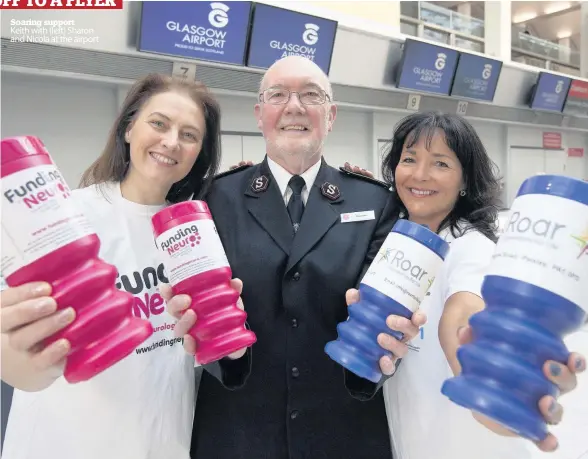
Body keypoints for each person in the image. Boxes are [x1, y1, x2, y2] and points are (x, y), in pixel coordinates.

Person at [165, 55, 424, 459]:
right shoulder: (216, 199)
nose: (294, 106)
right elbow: (208, 321)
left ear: (331, 114)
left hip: (344, 433)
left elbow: (378, 328)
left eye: (311, 95)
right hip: (239, 432)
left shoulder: (375, 202)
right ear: (259, 114)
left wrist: (387, 345)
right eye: (278, 95)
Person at [0, 73, 236, 459]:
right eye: (158, 123)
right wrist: (17, 356)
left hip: (162, 442)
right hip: (63, 444)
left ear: (200, 153)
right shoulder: (67, 216)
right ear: (129, 129)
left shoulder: (198, 234)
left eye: (189, 135)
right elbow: (15, 348)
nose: (171, 141)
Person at [342, 111, 586, 459]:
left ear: (465, 181)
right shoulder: (398, 244)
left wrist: (492, 395)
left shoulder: (470, 248)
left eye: (440, 163)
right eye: (409, 159)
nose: (420, 174)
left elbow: (461, 320)